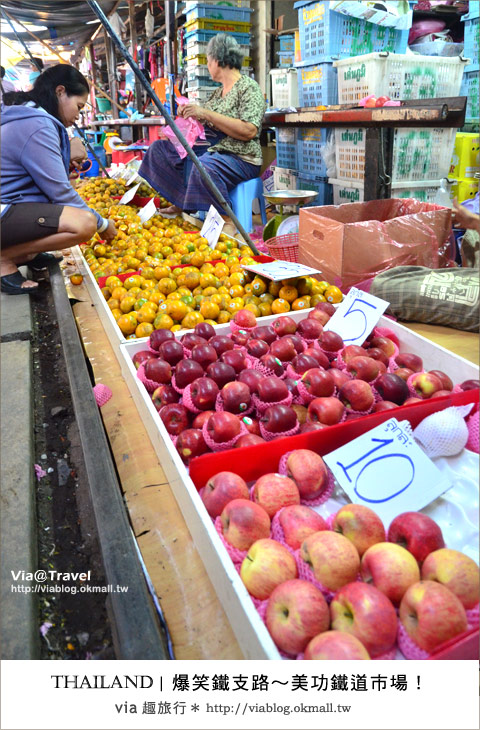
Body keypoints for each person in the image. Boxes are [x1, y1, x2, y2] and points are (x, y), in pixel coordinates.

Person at [1, 64, 117, 295]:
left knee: (66, 219)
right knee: (84, 224)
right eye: (79, 106)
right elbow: (60, 192)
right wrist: (102, 224)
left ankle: (27, 253)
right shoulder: (37, 125)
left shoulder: (30, 114)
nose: (77, 115)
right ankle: (5, 259)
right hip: (6, 210)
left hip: (13, 205)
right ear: (60, 92)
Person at [139, 33, 266, 229]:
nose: (208, 66)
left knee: (203, 167)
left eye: (208, 61)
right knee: (159, 150)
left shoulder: (248, 88)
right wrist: (190, 114)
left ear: (217, 60)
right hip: (213, 151)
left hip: (241, 157)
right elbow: (204, 123)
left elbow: (249, 130)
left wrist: (205, 113)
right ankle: (182, 202)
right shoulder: (217, 94)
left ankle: (225, 223)